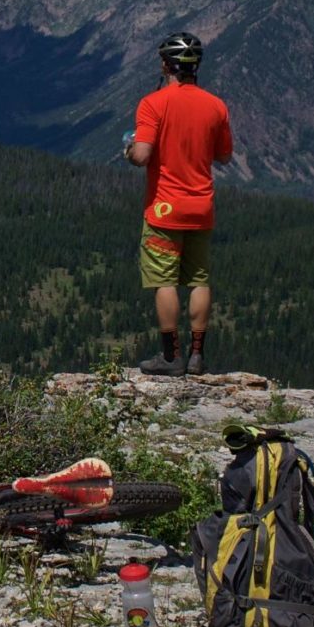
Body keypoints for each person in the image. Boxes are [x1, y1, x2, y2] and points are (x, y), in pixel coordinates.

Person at [125, 31, 232, 375]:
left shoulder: (152, 103)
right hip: (201, 207)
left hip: (163, 209)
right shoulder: (216, 105)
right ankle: (198, 355)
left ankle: (171, 357)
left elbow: (142, 156)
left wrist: (128, 149)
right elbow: (224, 156)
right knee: (199, 279)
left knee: (165, 281)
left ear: (165, 65)